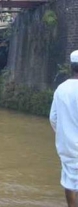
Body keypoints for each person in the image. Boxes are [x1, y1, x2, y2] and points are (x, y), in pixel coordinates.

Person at [50, 50, 78, 207]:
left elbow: (53, 118)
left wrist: (64, 134)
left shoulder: (61, 89)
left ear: (71, 67)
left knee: (69, 179)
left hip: (67, 146)